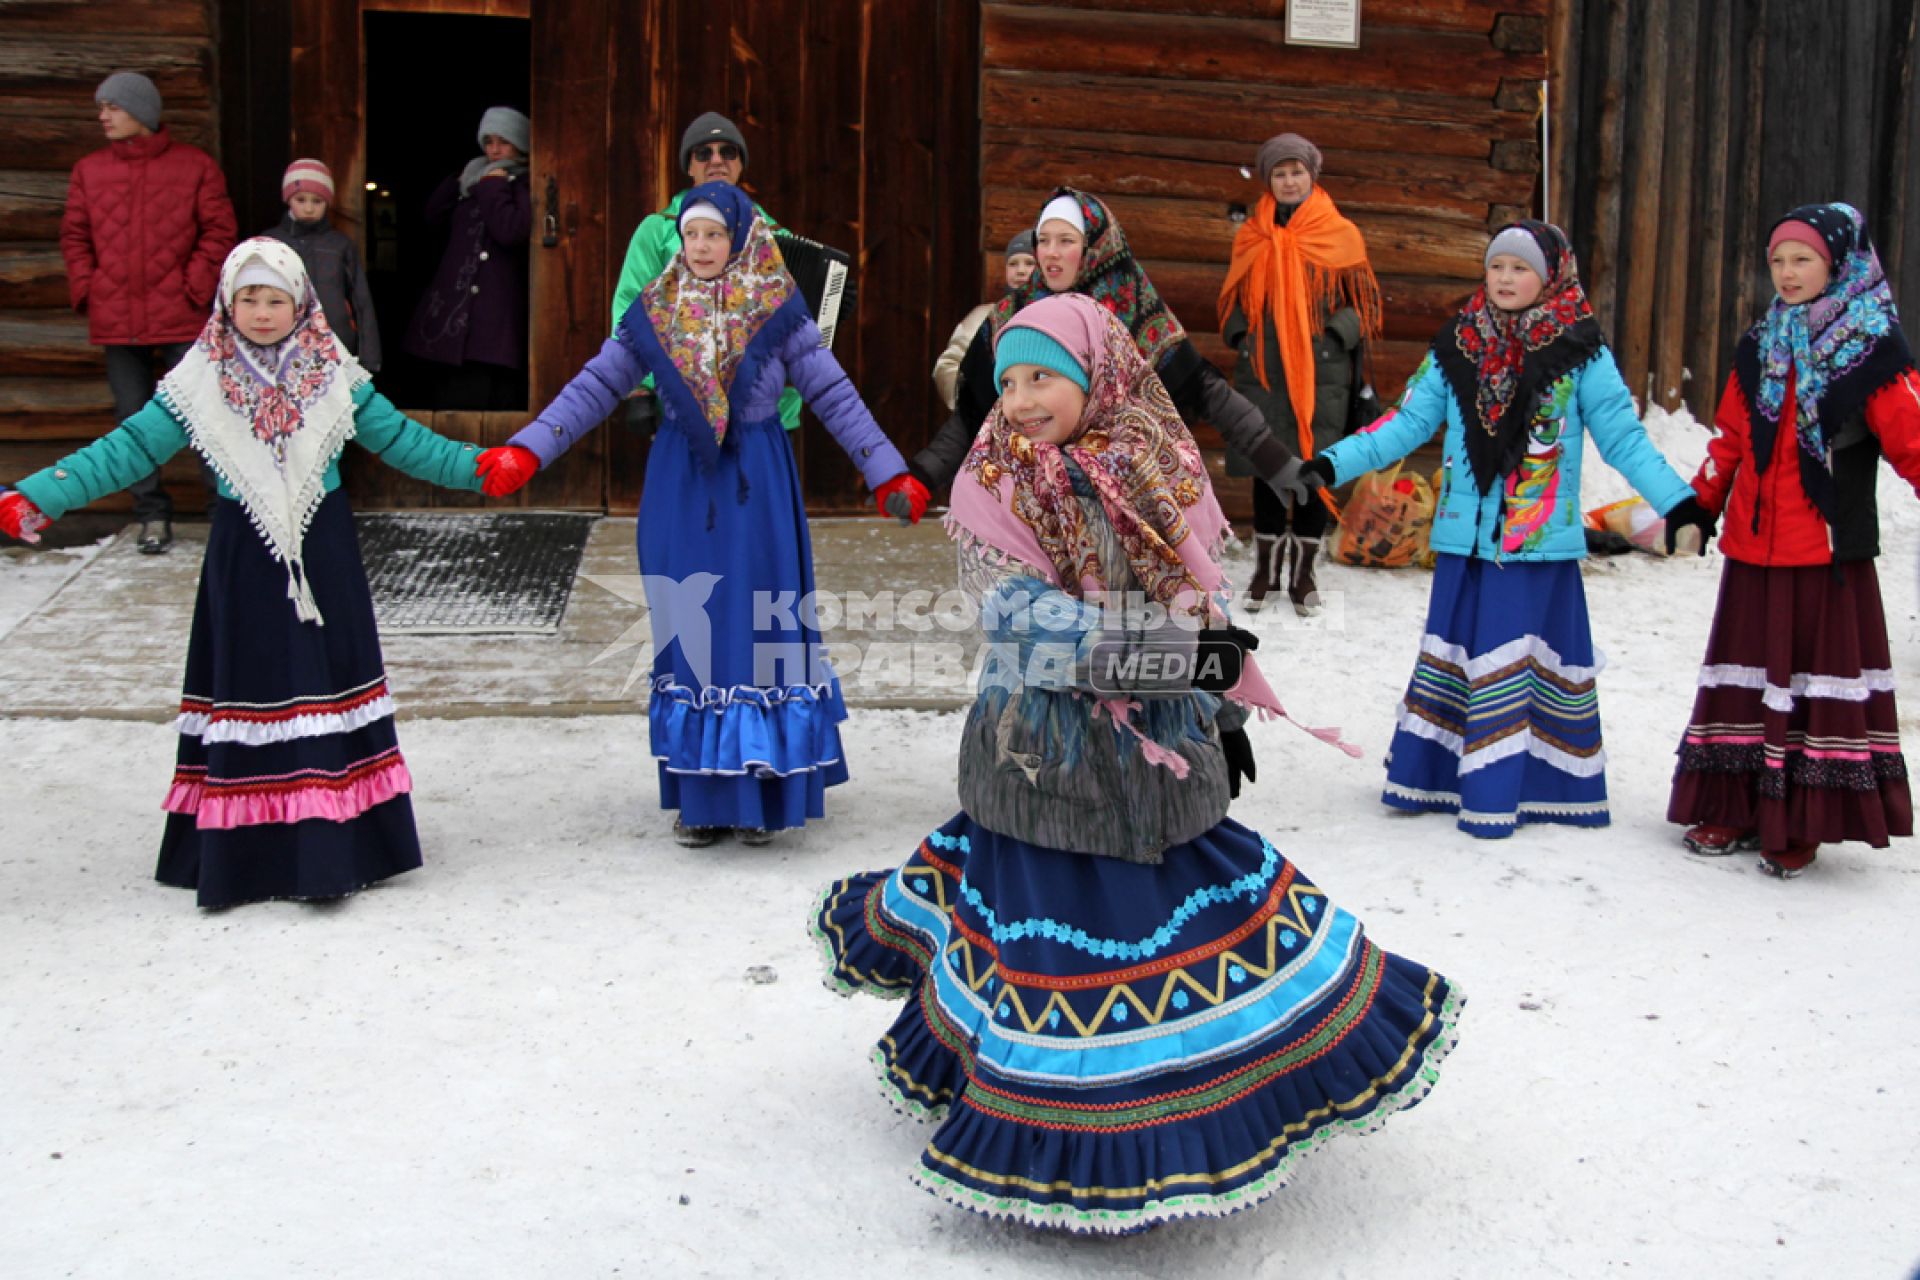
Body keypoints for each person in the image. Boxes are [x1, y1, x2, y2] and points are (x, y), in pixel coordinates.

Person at [813, 294, 1461, 1234]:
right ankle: (1064, 1139)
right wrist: (1157, 656)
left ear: (1097, 375)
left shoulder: (1156, 457)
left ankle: (1200, 1102)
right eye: (1010, 381)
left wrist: (1215, 685)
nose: (1025, 399)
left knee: (1178, 926)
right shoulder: (989, 480)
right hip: (1041, 757)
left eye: (1046, 378)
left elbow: (1198, 586)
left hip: (1159, 750)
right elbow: (1019, 624)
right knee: (1053, 953)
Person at [0, 239, 489, 908]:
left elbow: (402, 440)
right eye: (248, 299)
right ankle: (250, 857)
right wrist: (42, 493)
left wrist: (482, 468)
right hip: (247, 557)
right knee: (253, 684)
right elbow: (130, 447)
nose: (262, 312)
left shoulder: (332, 373)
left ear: (301, 304)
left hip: (324, 553)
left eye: (276, 299)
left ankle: (333, 851)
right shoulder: (200, 379)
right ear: (228, 305)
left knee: (324, 683)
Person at [474, 184, 928, 847]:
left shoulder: (779, 308)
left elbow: (832, 390)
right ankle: (701, 794)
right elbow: (597, 385)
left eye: (715, 234)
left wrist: (886, 467)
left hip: (757, 487)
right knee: (693, 632)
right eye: (692, 235)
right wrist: (528, 449)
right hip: (683, 486)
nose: (703, 247)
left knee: (757, 628)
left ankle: (764, 784)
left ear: (741, 238)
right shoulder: (653, 312)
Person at [1298, 221, 1711, 839]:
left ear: (1549, 276)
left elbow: (1623, 438)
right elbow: (1405, 424)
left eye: (1520, 268)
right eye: (1497, 267)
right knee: (1462, 660)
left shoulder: (1580, 350)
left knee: (1518, 666)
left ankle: (1522, 787)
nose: (1506, 279)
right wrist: (1334, 463)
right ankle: (1440, 779)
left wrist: (1679, 504)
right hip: (1466, 542)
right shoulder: (1458, 345)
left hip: (1537, 544)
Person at [1666, 203, 1920, 878]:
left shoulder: (1873, 351)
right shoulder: (1761, 344)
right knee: (1746, 683)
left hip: (1826, 554)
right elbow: (1730, 437)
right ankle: (1733, 805)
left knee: (1810, 686)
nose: (1787, 272)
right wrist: (1702, 502)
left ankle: (1798, 821)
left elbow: (1913, 441)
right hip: (1754, 549)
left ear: (1839, 263)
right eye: (1778, 259)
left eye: (1802, 259)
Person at [910, 187, 1309, 511]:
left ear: (1094, 246)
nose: (1050, 252)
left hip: (1124, 500)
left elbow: (1203, 389)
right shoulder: (1011, 316)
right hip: (1037, 501)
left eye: (1065, 240)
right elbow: (974, 412)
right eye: (1043, 240)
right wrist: (924, 476)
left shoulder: (1133, 307)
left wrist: (1273, 459)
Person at [61, 70, 237, 554]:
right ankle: (151, 516)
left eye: (112, 107)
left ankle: (223, 515)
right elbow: (75, 236)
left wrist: (193, 287)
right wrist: (90, 289)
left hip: (182, 316)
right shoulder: (89, 170)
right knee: (133, 421)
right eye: (102, 108)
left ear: (141, 111)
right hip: (117, 320)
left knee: (203, 416)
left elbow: (219, 231)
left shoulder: (195, 166)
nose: (103, 116)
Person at [1218, 133, 1381, 614]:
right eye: (1280, 173)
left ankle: (1304, 574)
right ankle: (1266, 570)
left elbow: (1364, 304)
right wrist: (1240, 336)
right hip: (1263, 372)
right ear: (1269, 180)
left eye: (1297, 172)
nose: (1289, 181)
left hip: (1323, 374)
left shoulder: (1341, 234)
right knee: (1266, 467)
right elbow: (1232, 298)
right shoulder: (1252, 235)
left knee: (1315, 469)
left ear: (1312, 176)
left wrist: (1335, 335)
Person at [609, 112, 802, 433]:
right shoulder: (659, 231)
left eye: (728, 152)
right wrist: (639, 387)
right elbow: (631, 306)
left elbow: (801, 318)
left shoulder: (777, 236)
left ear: (741, 164)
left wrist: (832, 307)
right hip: (686, 405)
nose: (716, 160)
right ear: (689, 166)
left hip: (768, 411)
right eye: (703, 153)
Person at [403, 106, 532, 410]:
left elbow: (510, 230)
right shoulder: (474, 178)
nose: (495, 150)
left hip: (494, 312)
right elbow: (432, 217)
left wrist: (495, 186)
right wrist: (458, 181)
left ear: (520, 144)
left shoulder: (523, 184)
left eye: (504, 141)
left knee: (490, 395)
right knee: (450, 396)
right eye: (489, 142)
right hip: (453, 308)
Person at [263, 158, 381, 371]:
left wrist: (369, 359)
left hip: (336, 345)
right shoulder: (270, 243)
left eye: (317, 201)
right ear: (288, 199)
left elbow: (362, 301)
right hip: (283, 346)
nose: (309, 208)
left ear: (327, 202)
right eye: (301, 199)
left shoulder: (340, 245)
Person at [932, 230, 1035, 410]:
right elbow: (947, 364)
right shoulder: (984, 315)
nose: (1020, 270)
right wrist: (971, 404)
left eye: (1029, 263)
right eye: (1013, 263)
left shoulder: (1055, 315)